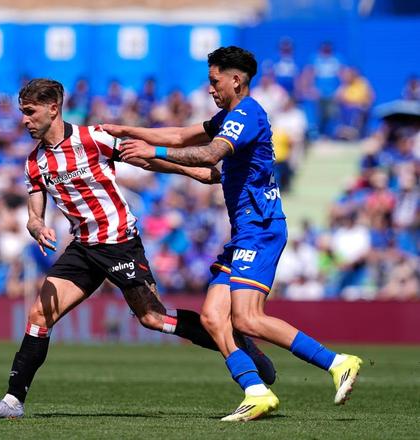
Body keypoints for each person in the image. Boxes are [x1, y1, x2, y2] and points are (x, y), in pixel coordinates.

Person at [0, 78, 275, 420]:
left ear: (53, 108)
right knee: (40, 315)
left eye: (30, 112)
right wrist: (37, 226)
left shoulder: (92, 138)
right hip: (83, 247)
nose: (24, 120)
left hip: (119, 242)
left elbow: (143, 159)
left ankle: (236, 343)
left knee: (153, 318)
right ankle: (13, 402)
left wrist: (193, 172)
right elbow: (34, 213)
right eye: (22, 112)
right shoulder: (34, 162)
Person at [104, 46, 362, 422]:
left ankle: (338, 362)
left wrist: (153, 151)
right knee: (213, 318)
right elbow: (183, 139)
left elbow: (209, 156)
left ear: (236, 80)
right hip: (244, 233)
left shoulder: (246, 114)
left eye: (214, 81)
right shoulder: (229, 117)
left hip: (260, 229)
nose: (210, 89)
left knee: (247, 319)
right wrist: (130, 137)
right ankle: (256, 391)